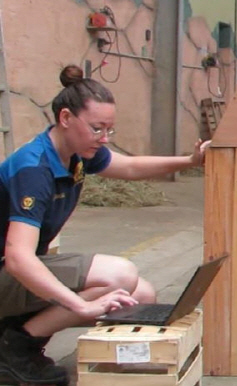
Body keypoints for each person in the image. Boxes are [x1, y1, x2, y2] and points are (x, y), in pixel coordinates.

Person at [0, 65, 211, 385]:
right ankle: (15, 349)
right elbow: (18, 258)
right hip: (8, 269)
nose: (104, 139)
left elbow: (129, 166)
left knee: (141, 295)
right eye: (97, 129)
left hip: (14, 274)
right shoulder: (34, 168)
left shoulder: (76, 153)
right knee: (119, 275)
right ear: (66, 118)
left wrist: (190, 161)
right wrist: (80, 306)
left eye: (109, 130)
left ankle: (21, 338)